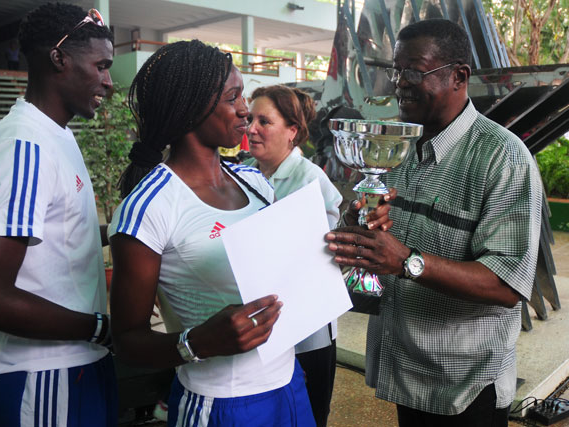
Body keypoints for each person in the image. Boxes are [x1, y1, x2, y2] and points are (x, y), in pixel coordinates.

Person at [326, 19, 542, 426]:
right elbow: (373, 238)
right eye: (396, 71)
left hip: (463, 386)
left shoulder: (502, 158)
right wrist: (359, 223)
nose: (399, 83)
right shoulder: (399, 146)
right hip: (405, 370)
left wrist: (407, 260)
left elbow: (508, 284)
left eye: (413, 71)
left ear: (459, 76)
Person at [108, 40, 315, 426]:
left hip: (288, 382)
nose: (244, 110)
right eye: (232, 97)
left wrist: (349, 233)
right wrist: (198, 343)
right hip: (222, 402)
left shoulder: (254, 181)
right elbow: (127, 342)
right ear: (191, 107)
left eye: (244, 96)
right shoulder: (149, 207)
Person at [0, 4, 117, 425]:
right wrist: (99, 328)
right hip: (43, 374)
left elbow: (60, 236)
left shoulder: (56, 135)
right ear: (58, 58)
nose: (108, 81)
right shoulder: (24, 146)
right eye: (101, 66)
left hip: (74, 364)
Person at [244, 84, 343, 426]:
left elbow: (323, 258)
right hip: (262, 331)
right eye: (249, 118)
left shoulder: (309, 181)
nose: (251, 129)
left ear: (293, 132)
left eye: (263, 121)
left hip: (305, 338)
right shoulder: (244, 173)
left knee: (308, 417)